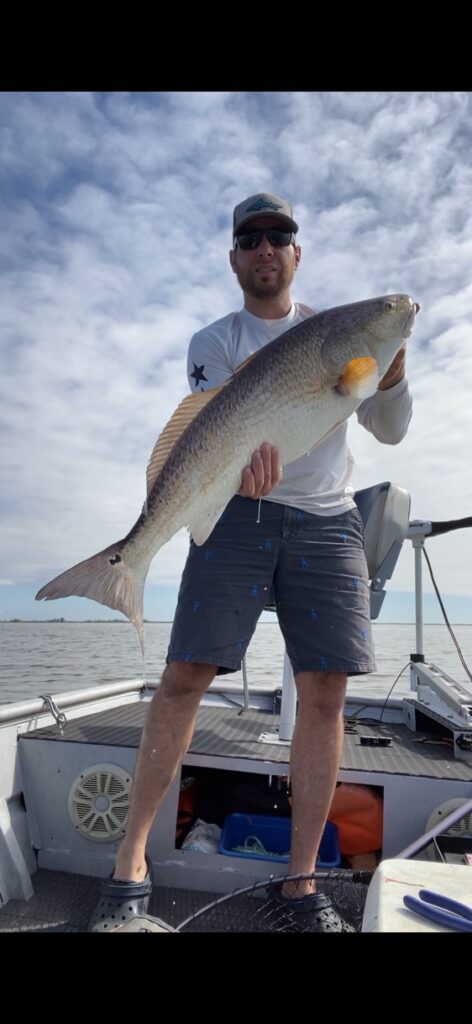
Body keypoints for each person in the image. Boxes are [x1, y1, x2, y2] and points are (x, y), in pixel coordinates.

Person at [89, 192, 412, 933]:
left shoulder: (339, 336)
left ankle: (300, 885)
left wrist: (391, 373)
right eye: (251, 238)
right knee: (183, 678)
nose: (266, 247)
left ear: (299, 254)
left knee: (326, 690)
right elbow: (216, 429)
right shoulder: (216, 337)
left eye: (281, 235)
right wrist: (235, 475)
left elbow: (389, 431)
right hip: (236, 512)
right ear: (236, 258)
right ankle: (127, 869)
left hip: (328, 520)